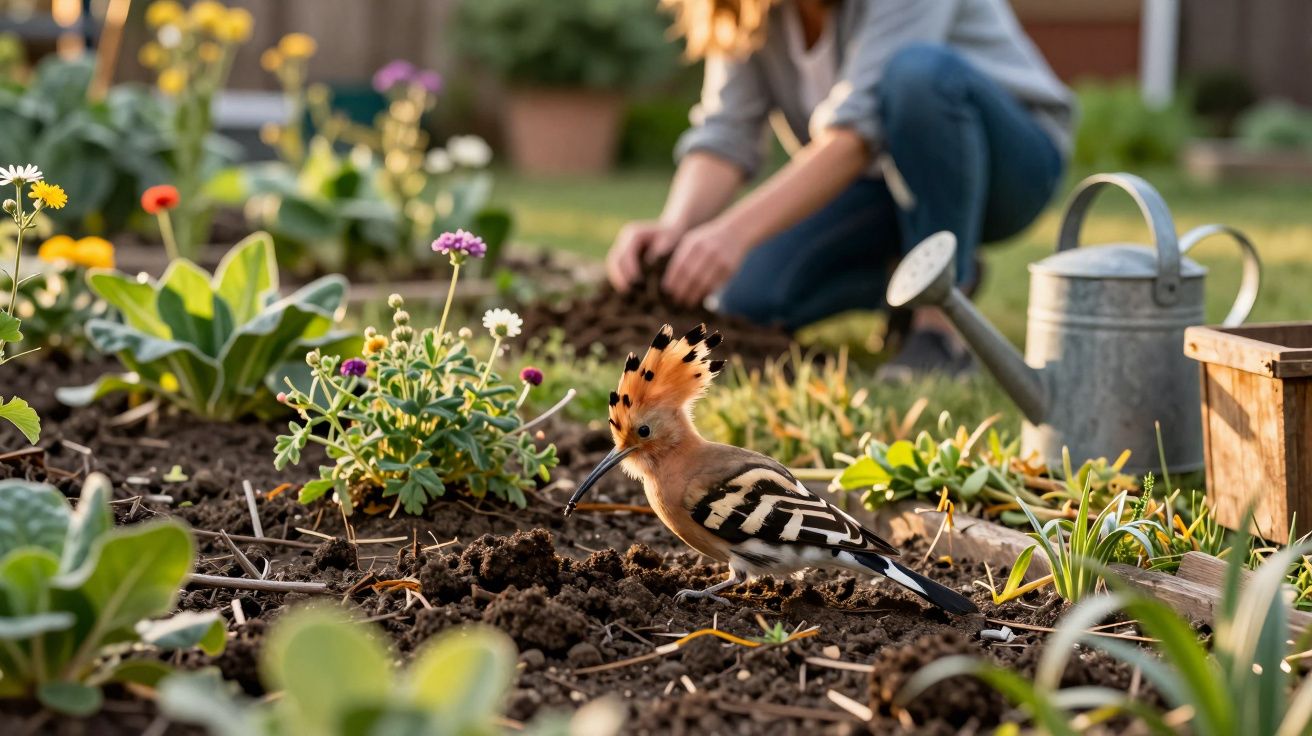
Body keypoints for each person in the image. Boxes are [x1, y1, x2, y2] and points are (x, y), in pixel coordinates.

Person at [606, 0, 1074, 376]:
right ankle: (916, 274)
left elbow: (853, 138)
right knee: (747, 299)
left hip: (1010, 169)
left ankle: (939, 327)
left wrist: (732, 232)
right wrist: (675, 226)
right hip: (879, 184)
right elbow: (726, 134)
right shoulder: (748, 9)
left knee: (917, 74)